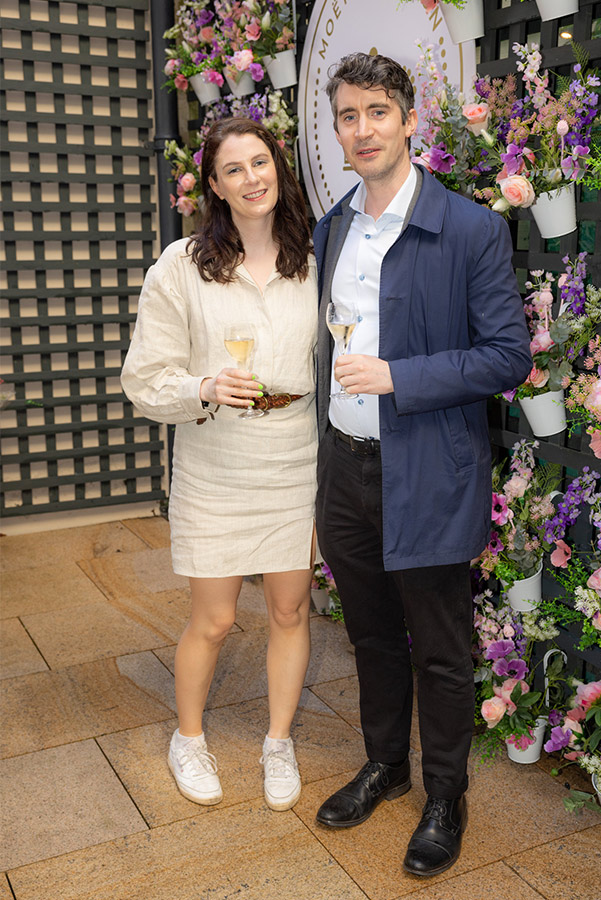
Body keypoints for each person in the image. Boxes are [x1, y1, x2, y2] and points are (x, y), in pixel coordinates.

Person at [312, 53, 532, 876]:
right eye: (347, 116)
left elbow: (508, 356)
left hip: (429, 468)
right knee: (370, 633)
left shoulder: (468, 227)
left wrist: (403, 377)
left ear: (410, 121)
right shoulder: (336, 224)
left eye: (376, 112)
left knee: (439, 647)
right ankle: (385, 765)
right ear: (336, 130)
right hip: (346, 466)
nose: (361, 129)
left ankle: (444, 794)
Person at [121, 117, 318, 813]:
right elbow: (144, 378)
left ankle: (277, 740)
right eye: (233, 169)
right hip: (216, 457)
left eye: (260, 163)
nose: (251, 179)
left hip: (294, 452)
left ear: (278, 167)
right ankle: (189, 737)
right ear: (213, 184)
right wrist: (203, 387)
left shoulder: (314, 255)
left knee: (292, 609)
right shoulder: (181, 266)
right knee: (214, 619)